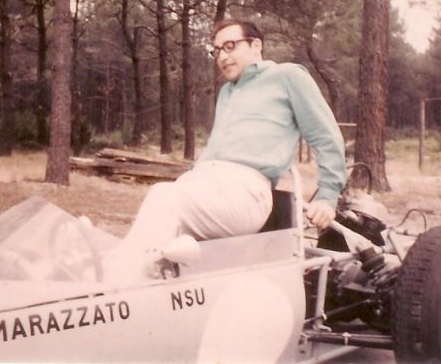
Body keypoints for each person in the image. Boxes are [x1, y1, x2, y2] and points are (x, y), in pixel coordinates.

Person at [104, 19, 347, 279]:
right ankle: (116, 278)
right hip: (205, 185)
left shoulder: (288, 76)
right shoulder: (227, 93)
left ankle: (115, 283)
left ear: (256, 45)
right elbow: (216, 150)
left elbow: (326, 137)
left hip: (246, 192)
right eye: (217, 50)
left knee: (164, 198)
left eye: (230, 46)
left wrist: (327, 197)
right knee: (155, 229)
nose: (222, 56)